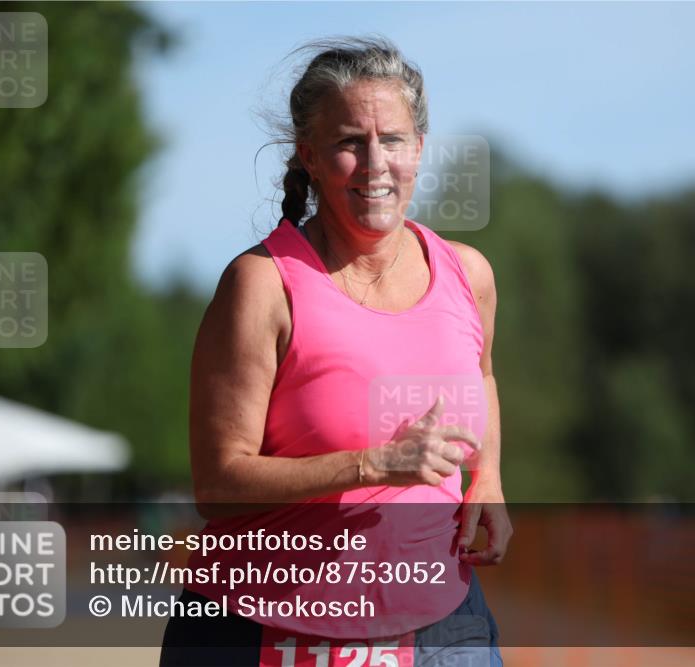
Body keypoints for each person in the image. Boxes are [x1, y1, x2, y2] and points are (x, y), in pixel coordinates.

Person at [160, 36, 512, 666]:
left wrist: (489, 477)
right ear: (310, 156)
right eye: (351, 142)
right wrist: (374, 465)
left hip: (444, 626)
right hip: (270, 627)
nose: (376, 163)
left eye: (394, 140)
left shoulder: (469, 274)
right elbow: (217, 485)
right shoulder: (262, 285)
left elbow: (481, 375)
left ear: (420, 149)